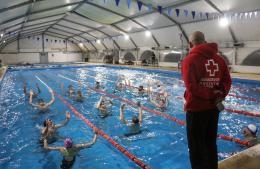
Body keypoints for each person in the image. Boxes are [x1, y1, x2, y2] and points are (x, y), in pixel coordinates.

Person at [181, 31, 231, 169]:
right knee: (210, 144)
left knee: (196, 148)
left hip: (196, 110)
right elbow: (227, 81)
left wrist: (209, 95)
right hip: (214, 109)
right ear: (205, 41)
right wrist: (219, 95)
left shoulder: (189, 60)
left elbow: (191, 86)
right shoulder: (220, 60)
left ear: (191, 44)